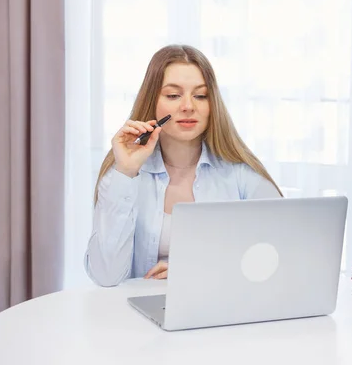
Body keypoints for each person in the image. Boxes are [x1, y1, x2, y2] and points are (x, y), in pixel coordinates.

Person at [84, 45, 282, 287]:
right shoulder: (122, 173)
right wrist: (126, 173)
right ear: (152, 101)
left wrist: (195, 269)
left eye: (200, 95)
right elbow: (106, 276)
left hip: (220, 311)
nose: (188, 106)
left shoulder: (241, 173)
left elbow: (279, 254)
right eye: (173, 95)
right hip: (136, 315)